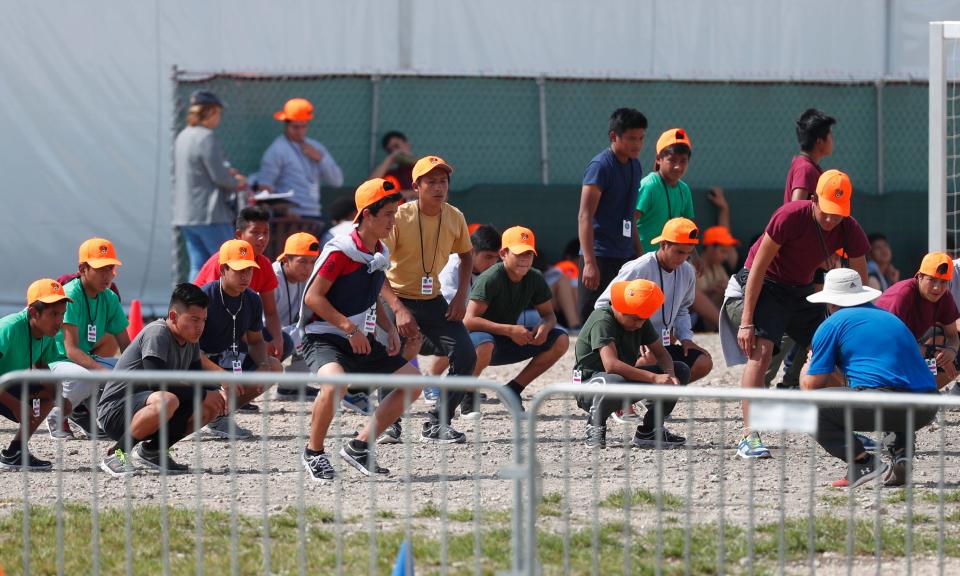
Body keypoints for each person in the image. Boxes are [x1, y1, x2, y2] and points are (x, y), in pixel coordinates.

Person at [721, 169, 870, 459]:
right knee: (761, 351)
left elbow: (858, 281)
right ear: (814, 199)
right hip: (766, 285)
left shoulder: (849, 227)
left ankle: (849, 425)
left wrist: (854, 326)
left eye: (837, 213)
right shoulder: (789, 215)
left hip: (801, 291)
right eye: (826, 211)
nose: (830, 219)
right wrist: (748, 322)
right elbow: (758, 269)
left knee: (835, 351)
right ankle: (748, 435)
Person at [298, 178, 423, 481]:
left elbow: (374, 292)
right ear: (367, 215)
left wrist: (388, 328)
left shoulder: (379, 250)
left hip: (359, 338)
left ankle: (359, 447)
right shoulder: (341, 251)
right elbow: (314, 297)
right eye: (388, 215)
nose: (393, 221)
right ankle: (313, 453)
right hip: (324, 336)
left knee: (413, 382)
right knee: (335, 384)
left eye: (395, 213)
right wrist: (349, 330)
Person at [801, 268, 939, 488]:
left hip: (887, 401)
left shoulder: (831, 324)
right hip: (928, 406)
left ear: (831, 303)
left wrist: (808, 365)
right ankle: (901, 452)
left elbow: (811, 387)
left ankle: (862, 462)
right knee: (890, 386)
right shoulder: (890, 318)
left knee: (803, 408)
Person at [380, 155, 476, 443]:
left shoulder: (455, 216)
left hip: (432, 297)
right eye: (431, 181)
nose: (439, 187)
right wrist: (397, 309)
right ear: (416, 186)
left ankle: (437, 422)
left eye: (443, 181)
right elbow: (377, 269)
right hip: (397, 295)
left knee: (466, 354)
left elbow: (467, 255)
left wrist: (461, 296)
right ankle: (388, 423)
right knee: (392, 355)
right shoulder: (399, 216)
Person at [96, 283, 226, 477]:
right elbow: (156, 383)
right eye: (194, 319)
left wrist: (220, 391)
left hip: (149, 408)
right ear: (173, 316)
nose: (200, 326)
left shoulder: (190, 340)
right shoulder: (157, 333)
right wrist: (204, 393)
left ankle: (153, 451)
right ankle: (117, 454)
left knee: (210, 405)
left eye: (203, 320)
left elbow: (196, 381)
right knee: (168, 399)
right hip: (115, 411)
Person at [595, 218, 713, 421]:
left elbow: (683, 309)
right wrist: (634, 333)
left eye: (687, 253)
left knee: (703, 361)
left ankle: (648, 394)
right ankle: (621, 402)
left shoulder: (687, 271)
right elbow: (603, 305)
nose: (683, 258)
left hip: (660, 343)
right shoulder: (639, 267)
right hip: (631, 341)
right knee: (648, 357)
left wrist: (686, 338)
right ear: (663, 244)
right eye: (678, 252)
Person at [463, 226, 570, 414]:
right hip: (478, 343)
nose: (524, 259)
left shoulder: (534, 277)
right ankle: (467, 393)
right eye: (519, 253)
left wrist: (545, 327)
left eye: (529, 254)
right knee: (485, 343)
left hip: (508, 339)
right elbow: (469, 321)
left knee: (561, 339)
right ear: (503, 253)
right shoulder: (491, 277)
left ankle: (513, 390)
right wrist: (510, 330)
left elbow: (549, 315)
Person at [574, 279, 690, 448]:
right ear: (620, 308)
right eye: (635, 319)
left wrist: (671, 375)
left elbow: (662, 354)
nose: (639, 324)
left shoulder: (638, 318)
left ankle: (650, 430)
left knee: (681, 369)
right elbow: (611, 365)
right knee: (614, 380)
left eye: (643, 320)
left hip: (619, 381)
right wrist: (654, 378)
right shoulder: (602, 320)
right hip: (589, 386)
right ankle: (595, 426)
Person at [197, 240, 283, 439]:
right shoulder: (204, 297)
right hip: (197, 364)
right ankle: (200, 414)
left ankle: (219, 416)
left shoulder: (252, 299)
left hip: (228, 359)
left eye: (249, 270)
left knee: (274, 367)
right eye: (239, 270)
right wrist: (222, 377)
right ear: (223, 269)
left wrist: (262, 364)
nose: (245, 276)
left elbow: (255, 341)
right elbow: (189, 350)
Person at [46, 238, 130, 440]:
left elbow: (127, 346)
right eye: (100, 268)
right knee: (86, 376)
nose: (107, 275)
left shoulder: (109, 297)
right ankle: (55, 416)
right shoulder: (70, 293)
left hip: (81, 359)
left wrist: (135, 372)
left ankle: (86, 411)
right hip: (54, 360)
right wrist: (104, 374)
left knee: (127, 370)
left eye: (110, 268)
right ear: (82, 268)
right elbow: (71, 350)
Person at [578, 108, 647, 324]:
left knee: (625, 316)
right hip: (600, 255)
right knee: (594, 319)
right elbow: (585, 216)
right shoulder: (600, 166)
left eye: (641, 138)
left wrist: (639, 254)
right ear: (614, 136)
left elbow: (630, 216)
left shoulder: (635, 165)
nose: (637, 144)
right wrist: (589, 262)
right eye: (631, 138)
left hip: (624, 255)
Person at [194, 207, 286, 365]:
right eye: (255, 232)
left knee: (283, 344)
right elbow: (213, 320)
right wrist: (258, 343)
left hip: (240, 326)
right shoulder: (220, 263)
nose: (262, 238)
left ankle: (236, 384)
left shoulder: (264, 264)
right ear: (239, 234)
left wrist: (277, 340)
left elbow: (270, 311)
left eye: (266, 232)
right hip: (208, 335)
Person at [173, 90, 246, 281]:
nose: (219, 119)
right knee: (230, 262)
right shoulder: (206, 137)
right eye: (218, 113)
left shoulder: (183, 136)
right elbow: (220, 176)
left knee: (198, 265)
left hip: (187, 215)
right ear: (211, 112)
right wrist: (237, 181)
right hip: (210, 214)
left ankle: (189, 308)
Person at [0, 280, 73, 470]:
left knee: (47, 395)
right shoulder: (8, 329)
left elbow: (44, 371)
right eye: (53, 314)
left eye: (62, 314)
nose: (59, 321)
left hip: (4, 385)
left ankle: (16, 451)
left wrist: (60, 397)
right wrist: (16, 405)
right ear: (34, 313)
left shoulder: (47, 334)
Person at [875, 252, 960, 389]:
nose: (937, 287)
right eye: (931, 280)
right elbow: (890, 342)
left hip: (905, 347)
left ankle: (925, 392)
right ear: (920, 276)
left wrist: (951, 351)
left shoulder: (944, 297)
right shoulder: (903, 295)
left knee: (953, 356)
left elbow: (953, 336)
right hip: (877, 350)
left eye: (943, 282)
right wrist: (929, 352)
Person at [257, 98, 343, 219]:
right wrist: (284, 212)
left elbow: (337, 181)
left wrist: (320, 159)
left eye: (303, 126)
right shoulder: (277, 150)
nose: (300, 131)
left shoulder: (316, 147)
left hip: (314, 213)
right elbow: (264, 188)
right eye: (295, 127)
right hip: (289, 217)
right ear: (286, 124)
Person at [271, 232, 321, 400]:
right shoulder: (272, 276)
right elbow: (260, 322)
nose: (308, 267)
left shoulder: (310, 277)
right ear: (286, 260)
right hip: (262, 336)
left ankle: (291, 387)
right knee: (305, 333)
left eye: (313, 262)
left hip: (285, 333)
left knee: (317, 330)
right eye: (302, 261)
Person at [635, 128, 696, 249]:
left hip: (668, 262)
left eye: (683, 161)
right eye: (672, 160)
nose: (678, 166)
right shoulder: (649, 186)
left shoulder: (684, 190)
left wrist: (694, 256)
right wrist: (638, 255)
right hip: (642, 260)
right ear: (658, 159)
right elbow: (629, 222)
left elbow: (686, 228)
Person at [784, 108, 835, 203]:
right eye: (830, 135)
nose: (833, 140)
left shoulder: (809, 167)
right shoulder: (805, 169)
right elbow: (795, 210)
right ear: (819, 142)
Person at [369, 131, 416, 199]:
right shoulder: (393, 175)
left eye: (396, 146)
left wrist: (405, 194)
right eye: (390, 150)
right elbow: (370, 186)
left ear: (407, 145)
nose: (395, 152)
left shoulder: (424, 167)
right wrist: (390, 159)